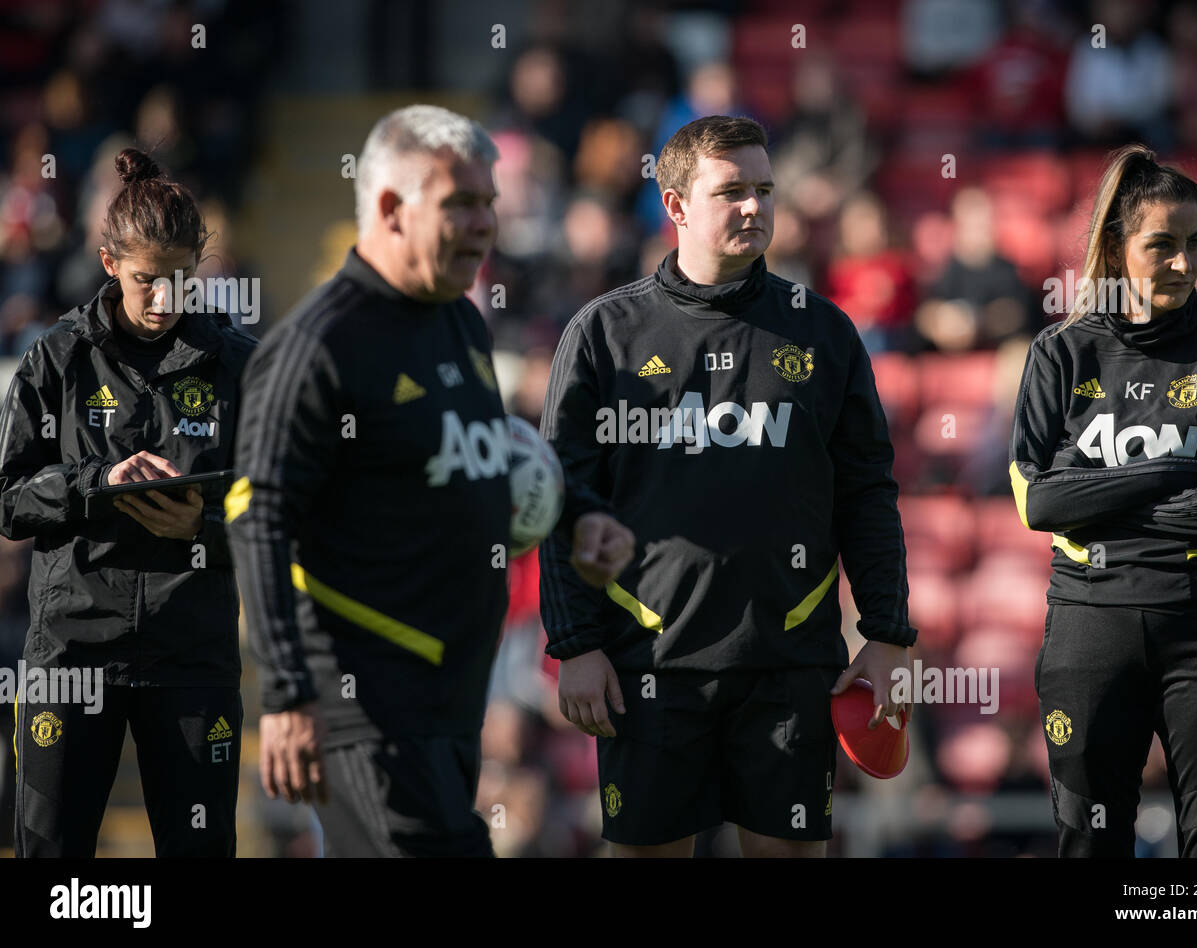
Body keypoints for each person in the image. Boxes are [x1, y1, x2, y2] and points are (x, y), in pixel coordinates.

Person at [226, 104, 633, 858]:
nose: (485, 224)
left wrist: (580, 516)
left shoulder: (462, 324)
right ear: (388, 207)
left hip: (453, 699)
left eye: (489, 202)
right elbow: (257, 515)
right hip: (366, 702)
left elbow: (498, 450)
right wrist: (287, 694)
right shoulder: (319, 345)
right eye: (460, 204)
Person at [540, 115, 916, 858]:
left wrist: (887, 633)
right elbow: (561, 498)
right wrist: (575, 644)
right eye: (733, 191)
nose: (755, 207)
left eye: (765, 189)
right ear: (675, 206)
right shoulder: (603, 335)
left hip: (789, 662)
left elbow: (868, 492)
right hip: (647, 664)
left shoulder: (824, 333)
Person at [1010, 144, 1197, 857]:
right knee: (1090, 844)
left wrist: (1091, 500)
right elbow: (1037, 504)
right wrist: (1168, 472)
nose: (1184, 264)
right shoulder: (1059, 352)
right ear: (1115, 246)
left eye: (1196, 243)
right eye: (1162, 245)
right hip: (1088, 632)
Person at [0, 148, 257, 857]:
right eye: (148, 280)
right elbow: (8, 500)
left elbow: (287, 510)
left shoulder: (240, 364)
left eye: (181, 279)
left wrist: (205, 523)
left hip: (192, 655)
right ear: (110, 262)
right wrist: (97, 485)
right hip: (72, 650)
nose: (165, 300)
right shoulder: (56, 359)